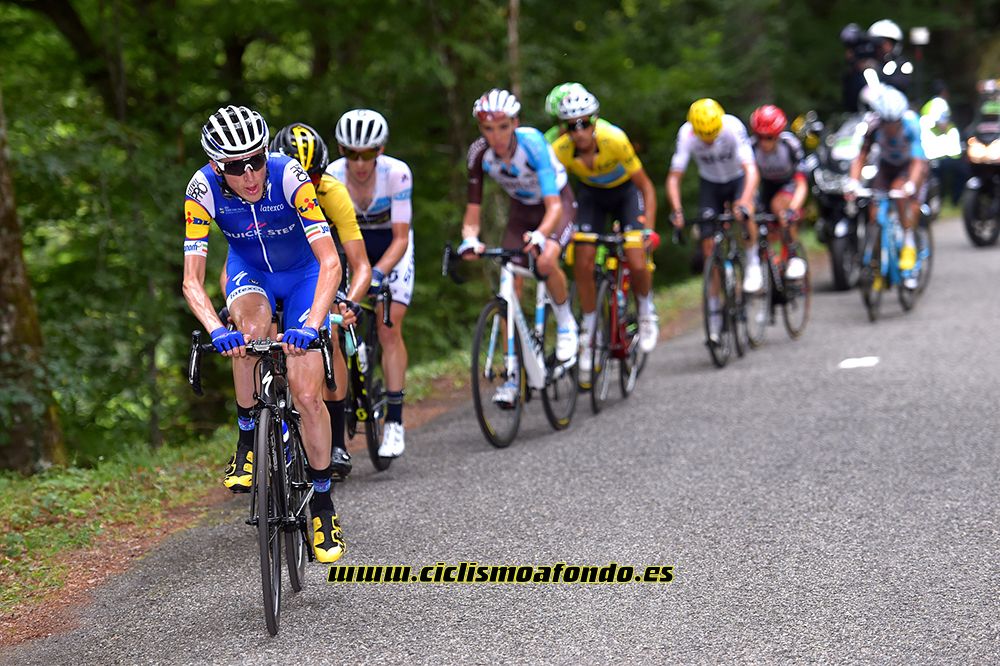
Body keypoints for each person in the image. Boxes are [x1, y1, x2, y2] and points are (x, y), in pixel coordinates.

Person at [183, 105, 345, 563]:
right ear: (218, 167)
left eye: (256, 160)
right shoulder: (202, 189)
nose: (251, 175)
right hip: (249, 272)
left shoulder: (290, 175)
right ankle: (246, 436)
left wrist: (311, 326)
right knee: (249, 332)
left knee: (308, 392)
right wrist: (217, 329)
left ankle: (323, 505)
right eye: (237, 167)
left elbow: (330, 262)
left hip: (304, 274)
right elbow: (192, 281)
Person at [458, 88, 578, 406]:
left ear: (515, 123)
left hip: (555, 206)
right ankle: (513, 373)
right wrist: (469, 238)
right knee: (507, 282)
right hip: (521, 211)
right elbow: (473, 210)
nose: (495, 136)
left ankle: (566, 324)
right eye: (487, 129)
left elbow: (554, 207)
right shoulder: (478, 154)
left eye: (502, 127)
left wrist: (541, 235)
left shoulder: (533, 143)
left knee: (546, 260)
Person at [270, 122, 372, 478]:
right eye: (299, 175)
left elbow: (359, 265)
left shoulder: (332, 192)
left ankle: (338, 442)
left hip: (323, 265)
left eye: (313, 176)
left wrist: (349, 301)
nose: (306, 185)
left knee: (327, 333)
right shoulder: (265, 194)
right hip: (282, 269)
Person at [550, 88, 659, 383]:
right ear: (565, 128)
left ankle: (647, 312)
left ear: (594, 121)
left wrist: (647, 228)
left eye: (585, 123)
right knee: (582, 261)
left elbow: (646, 187)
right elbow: (555, 196)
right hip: (591, 197)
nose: (579, 132)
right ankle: (588, 330)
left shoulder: (615, 140)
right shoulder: (559, 150)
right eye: (572, 126)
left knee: (637, 260)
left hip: (626, 194)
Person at [325, 109, 412, 458]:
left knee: (389, 325)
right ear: (342, 151)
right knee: (335, 320)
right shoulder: (331, 175)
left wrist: (377, 273)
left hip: (391, 248)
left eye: (369, 154)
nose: (360, 163)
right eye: (351, 154)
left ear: (381, 150)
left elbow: (401, 238)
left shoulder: (397, 174)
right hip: (351, 248)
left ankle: (394, 420)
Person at [666, 98, 760, 343]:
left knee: (746, 211)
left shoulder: (731, 127)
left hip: (737, 178)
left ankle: (752, 262)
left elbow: (751, 170)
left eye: (712, 134)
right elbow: (674, 177)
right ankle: (715, 310)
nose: (708, 139)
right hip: (711, 184)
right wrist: (676, 210)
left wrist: (743, 201)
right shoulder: (686, 134)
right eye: (703, 136)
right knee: (708, 247)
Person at [846, 86, 927, 289]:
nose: (890, 127)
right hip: (886, 167)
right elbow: (861, 156)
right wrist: (853, 182)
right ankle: (878, 259)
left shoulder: (911, 124)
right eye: (886, 123)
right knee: (875, 213)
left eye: (894, 123)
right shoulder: (874, 126)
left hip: (909, 168)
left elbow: (918, 162)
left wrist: (910, 185)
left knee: (900, 194)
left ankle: (908, 242)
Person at [749, 104, 809, 280]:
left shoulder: (789, 145)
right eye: (759, 137)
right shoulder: (751, 148)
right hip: (766, 186)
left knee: (779, 207)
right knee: (755, 220)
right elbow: (748, 181)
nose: (764, 142)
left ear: (777, 135)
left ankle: (793, 256)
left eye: (769, 137)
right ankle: (766, 264)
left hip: (789, 185)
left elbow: (801, 183)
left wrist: (794, 208)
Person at [920, 81, 965, 205]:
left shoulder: (927, 105)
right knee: (962, 172)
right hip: (942, 151)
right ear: (944, 92)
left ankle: (939, 203)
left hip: (929, 150)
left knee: (936, 181)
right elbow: (942, 126)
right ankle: (954, 201)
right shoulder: (941, 104)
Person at [542, 81, 611, 144]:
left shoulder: (608, 132)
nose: (579, 132)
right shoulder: (548, 139)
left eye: (584, 124)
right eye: (570, 125)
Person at [868, 19, 913, 94]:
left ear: (895, 45)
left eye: (886, 43)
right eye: (877, 44)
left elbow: (901, 84)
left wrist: (876, 69)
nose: (881, 48)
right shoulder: (866, 62)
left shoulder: (901, 65)